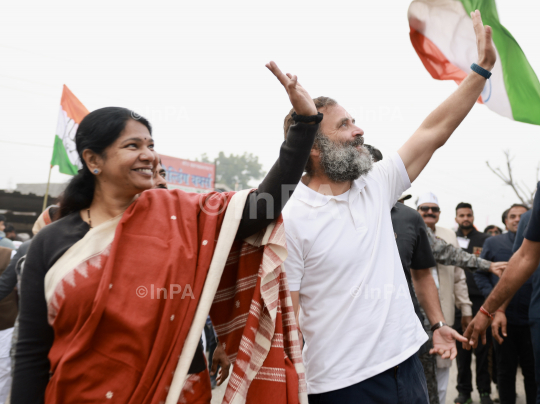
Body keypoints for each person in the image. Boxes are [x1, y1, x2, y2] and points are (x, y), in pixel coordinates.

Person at [12, 61, 319, 404]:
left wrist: (304, 125)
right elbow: (31, 350)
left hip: (175, 393)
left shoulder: (184, 216)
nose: (149, 156)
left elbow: (264, 206)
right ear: (93, 160)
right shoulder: (51, 242)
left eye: (150, 144)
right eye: (133, 146)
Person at [282, 10, 497, 403]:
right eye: (345, 125)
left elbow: (434, 131)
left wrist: (481, 71)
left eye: (356, 121)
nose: (359, 130)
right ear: (314, 148)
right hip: (341, 386)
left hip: (408, 365)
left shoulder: (374, 185)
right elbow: (287, 321)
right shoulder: (293, 219)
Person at [367, 145, 466, 404]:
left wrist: (438, 324)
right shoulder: (329, 213)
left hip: (407, 330)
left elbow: (424, 274)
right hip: (353, 340)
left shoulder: (409, 219)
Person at [472, 204, 536, 404]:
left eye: (522, 215)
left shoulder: (536, 242)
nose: (517, 219)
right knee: (505, 369)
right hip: (503, 319)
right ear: (506, 221)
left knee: (532, 371)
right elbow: (480, 274)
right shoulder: (493, 242)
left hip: (532, 319)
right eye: (512, 216)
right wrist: (493, 302)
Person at [452, 202, 494, 404]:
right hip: (458, 303)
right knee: (462, 349)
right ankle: (464, 392)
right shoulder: (450, 240)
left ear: (473, 216)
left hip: (480, 301)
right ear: (455, 218)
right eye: (461, 215)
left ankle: (485, 391)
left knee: (483, 348)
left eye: (468, 214)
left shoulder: (484, 240)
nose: (465, 218)